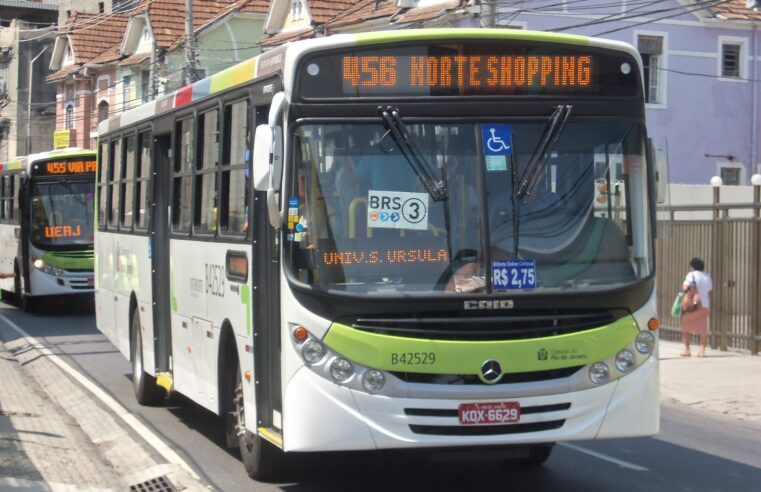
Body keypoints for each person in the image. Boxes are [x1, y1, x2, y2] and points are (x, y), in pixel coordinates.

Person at [680, 257, 713, 357]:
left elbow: (685, 287)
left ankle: (687, 349)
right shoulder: (708, 276)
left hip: (692, 306)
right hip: (705, 305)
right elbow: (710, 291)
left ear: (692, 266)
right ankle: (702, 351)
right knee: (703, 328)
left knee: (685, 327)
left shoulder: (692, 275)